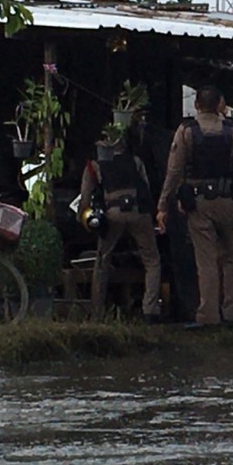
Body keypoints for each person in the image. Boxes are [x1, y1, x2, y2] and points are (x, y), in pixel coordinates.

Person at [156, 85, 233, 328]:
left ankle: (208, 316)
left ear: (196, 105)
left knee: (206, 261)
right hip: (229, 201)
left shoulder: (186, 132)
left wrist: (162, 206)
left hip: (198, 202)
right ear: (219, 105)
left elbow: (173, 172)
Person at [79, 130, 162, 323]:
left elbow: (84, 200)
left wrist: (84, 219)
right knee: (152, 260)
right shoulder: (135, 161)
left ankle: (97, 312)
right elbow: (146, 188)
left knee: (102, 262)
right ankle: (151, 310)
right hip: (138, 212)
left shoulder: (94, 165)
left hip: (112, 213)